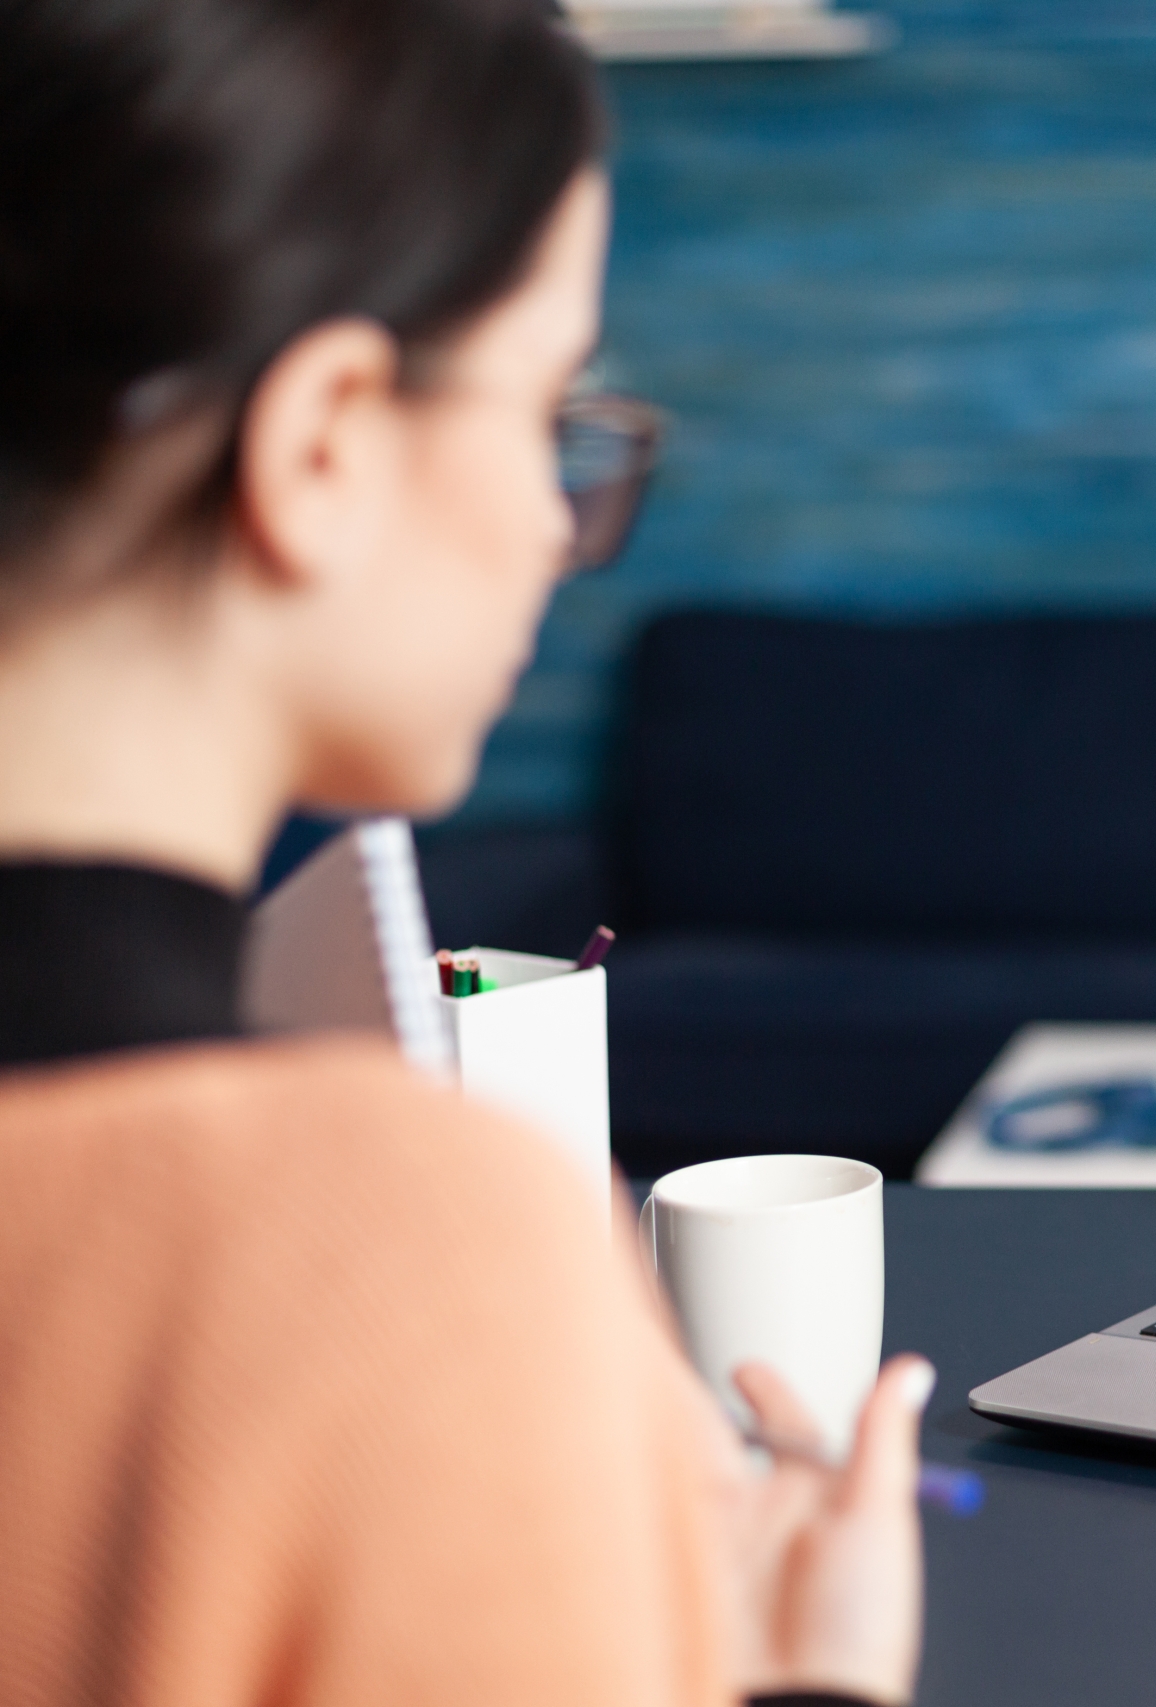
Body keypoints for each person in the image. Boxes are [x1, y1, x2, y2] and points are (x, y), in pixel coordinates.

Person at [0, 5, 922, 1704]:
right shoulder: (392, 1256)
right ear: (325, 439)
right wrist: (812, 1686)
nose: (554, 523)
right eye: (548, 406)